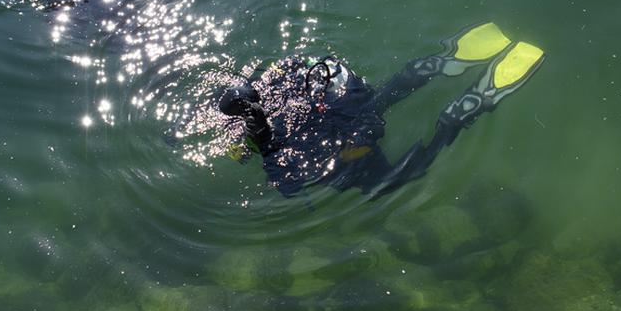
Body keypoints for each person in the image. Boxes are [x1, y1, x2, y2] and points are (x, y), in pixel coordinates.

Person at [218, 23, 545, 197]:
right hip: (344, 94)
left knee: (387, 183)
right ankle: (434, 66)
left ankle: (458, 115)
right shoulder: (271, 83)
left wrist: (346, 155)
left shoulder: (273, 147)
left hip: (340, 130)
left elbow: (290, 182)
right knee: (377, 101)